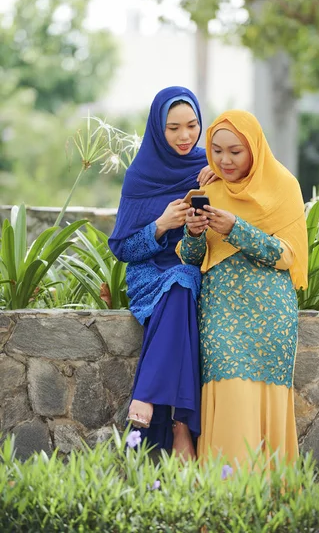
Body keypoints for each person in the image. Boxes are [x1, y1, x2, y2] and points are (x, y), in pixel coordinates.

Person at [178, 110, 308, 466]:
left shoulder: (284, 186)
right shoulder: (210, 189)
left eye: (235, 151)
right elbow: (191, 259)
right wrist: (193, 232)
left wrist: (237, 227)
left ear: (254, 147)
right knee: (229, 398)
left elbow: (286, 255)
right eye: (217, 151)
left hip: (271, 317)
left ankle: (265, 512)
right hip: (221, 312)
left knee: (263, 405)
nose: (224, 160)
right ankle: (224, 507)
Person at [108, 86, 215, 460]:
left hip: (192, 263)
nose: (185, 137)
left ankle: (146, 397)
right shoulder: (140, 175)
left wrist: (211, 190)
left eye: (192, 126)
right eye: (173, 128)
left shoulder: (208, 167)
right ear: (158, 128)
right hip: (149, 271)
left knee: (183, 282)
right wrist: (160, 225)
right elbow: (123, 249)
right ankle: (182, 427)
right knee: (180, 290)